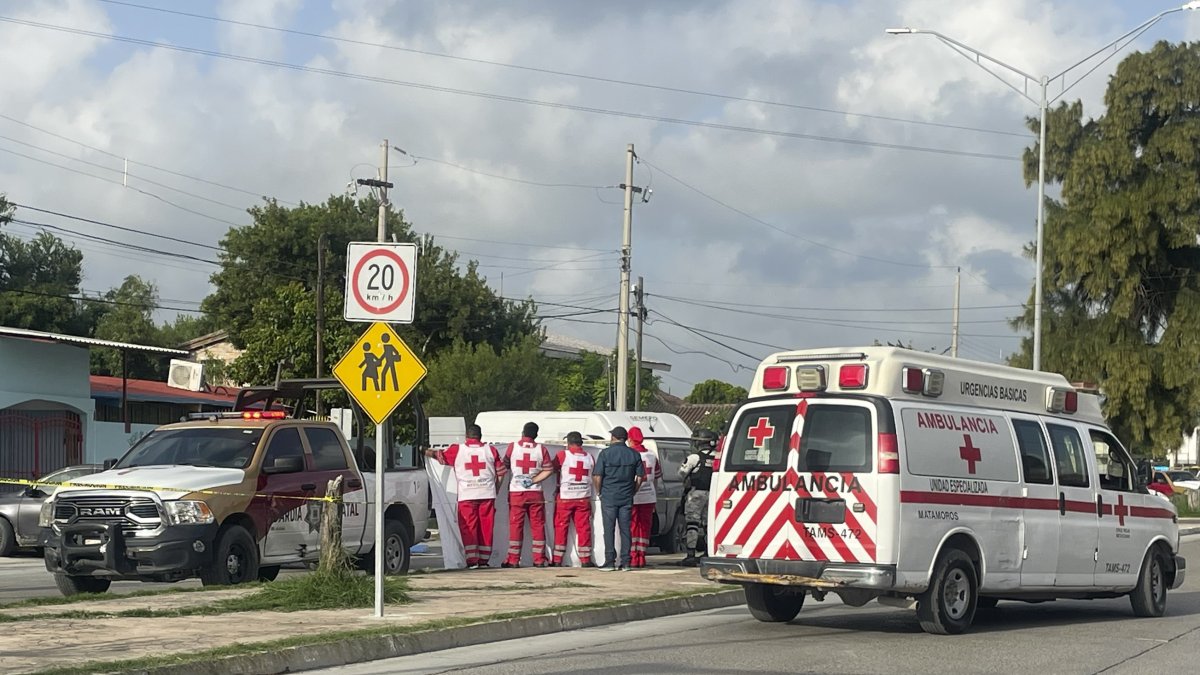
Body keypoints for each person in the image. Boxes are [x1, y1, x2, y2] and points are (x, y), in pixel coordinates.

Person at [423, 424, 507, 569]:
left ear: (466, 437)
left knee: (469, 528)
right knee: (486, 528)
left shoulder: (458, 450)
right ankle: (484, 561)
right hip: (487, 494)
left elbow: (439, 456)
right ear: (480, 436)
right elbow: (501, 473)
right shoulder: (490, 450)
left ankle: (472, 561)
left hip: (467, 495)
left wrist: (422, 450)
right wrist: (495, 490)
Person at [592, 426, 644, 571]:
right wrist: (633, 491)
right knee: (625, 529)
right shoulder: (634, 454)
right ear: (625, 438)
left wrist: (599, 492)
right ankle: (626, 562)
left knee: (609, 529)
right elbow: (640, 477)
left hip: (609, 496)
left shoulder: (605, 453)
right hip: (626, 496)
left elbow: (597, 476)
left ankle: (610, 561)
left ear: (613, 437)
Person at [502, 422, 554, 568]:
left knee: (515, 526)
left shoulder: (512, 447)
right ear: (536, 435)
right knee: (538, 526)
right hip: (535, 492)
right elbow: (548, 469)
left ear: (523, 433)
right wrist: (532, 480)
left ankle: (513, 560)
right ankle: (539, 559)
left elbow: (504, 465)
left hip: (516, 493)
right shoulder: (541, 449)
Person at [550, 431, 595, 567]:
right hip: (583, 497)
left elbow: (551, 468)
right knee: (584, 528)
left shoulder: (563, 455)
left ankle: (557, 559)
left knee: (561, 526)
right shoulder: (590, 456)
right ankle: (586, 559)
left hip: (565, 497)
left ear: (568, 443)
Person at [677, 429, 719, 566]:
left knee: (692, 524)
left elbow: (681, 473)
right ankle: (708, 552)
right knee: (708, 525)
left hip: (696, 493)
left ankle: (690, 554)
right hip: (713, 494)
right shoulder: (719, 457)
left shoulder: (695, 458)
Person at [627, 426, 663, 568]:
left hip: (634, 496)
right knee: (645, 528)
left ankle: (633, 557)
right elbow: (657, 478)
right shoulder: (652, 455)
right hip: (649, 497)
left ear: (630, 439)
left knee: (632, 527)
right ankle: (642, 557)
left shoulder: (629, 455)